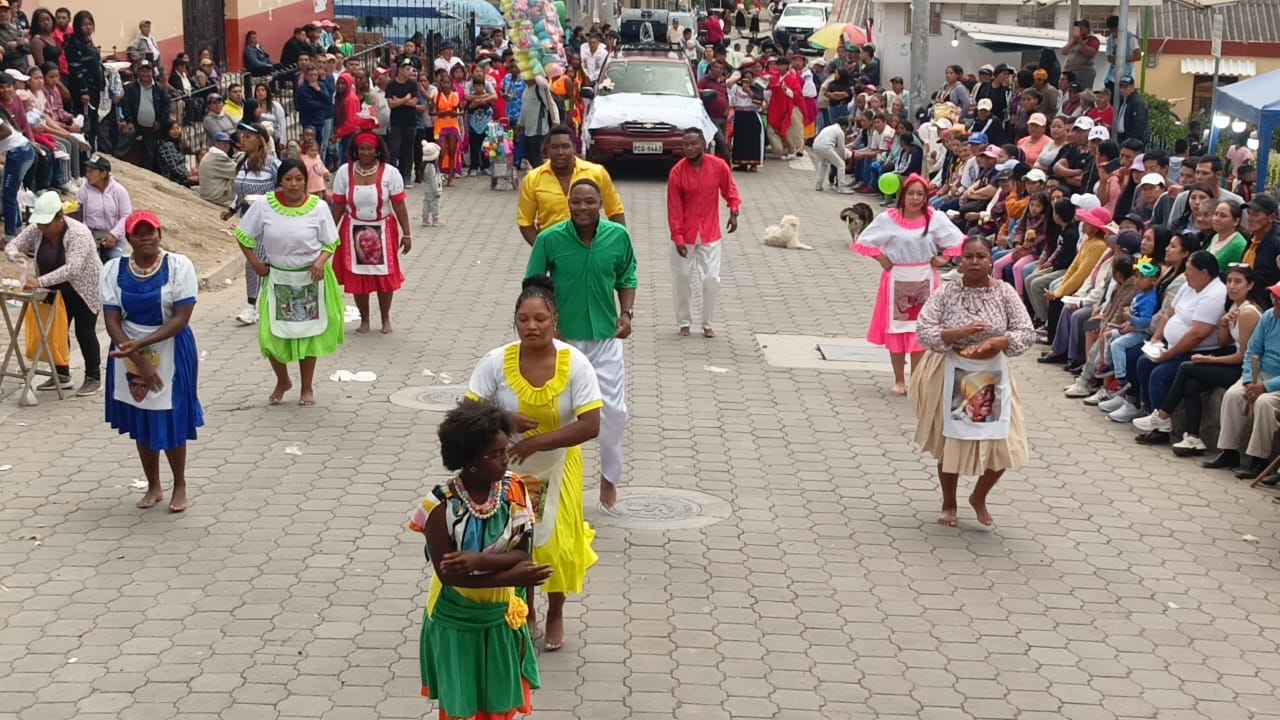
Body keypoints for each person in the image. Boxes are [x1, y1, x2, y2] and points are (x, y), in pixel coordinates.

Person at [465, 276, 602, 652]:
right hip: (508, 467)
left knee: (556, 543)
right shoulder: (496, 362)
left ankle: (556, 611)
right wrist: (504, 420)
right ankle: (524, 610)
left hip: (558, 464)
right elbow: (468, 410)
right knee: (517, 539)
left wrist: (538, 441)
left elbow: (591, 425)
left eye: (540, 319)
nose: (532, 326)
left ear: (555, 320)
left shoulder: (575, 364)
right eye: (523, 319)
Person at [408, 398, 549, 720]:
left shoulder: (516, 488)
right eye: (496, 454)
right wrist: (512, 577)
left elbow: (522, 553)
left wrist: (477, 562)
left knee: (499, 703)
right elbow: (450, 576)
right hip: (455, 618)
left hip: (500, 615)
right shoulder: (439, 506)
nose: (505, 459)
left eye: (505, 450)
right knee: (462, 706)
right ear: (470, 459)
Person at [526, 179, 637, 510]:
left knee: (613, 412)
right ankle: (546, 487)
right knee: (556, 413)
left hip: (605, 339)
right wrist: (549, 326)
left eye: (590, 202)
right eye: (577, 202)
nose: (583, 208)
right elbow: (533, 285)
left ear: (601, 204)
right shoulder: (550, 239)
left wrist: (626, 313)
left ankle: (609, 479)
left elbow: (627, 276)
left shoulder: (618, 237)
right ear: (568, 204)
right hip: (563, 341)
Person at [912, 236, 1035, 527]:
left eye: (981, 256)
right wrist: (959, 333)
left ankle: (979, 496)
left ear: (991, 260)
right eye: (969, 257)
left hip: (992, 373)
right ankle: (949, 503)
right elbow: (924, 330)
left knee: (1004, 443)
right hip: (953, 369)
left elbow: (1026, 332)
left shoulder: (1004, 292)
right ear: (960, 260)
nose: (975, 262)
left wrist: (998, 341)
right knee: (951, 440)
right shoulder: (946, 292)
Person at [99, 211, 203, 512]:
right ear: (129, 239)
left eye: (151, 232)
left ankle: (180, 483)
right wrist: (136, 358)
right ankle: (153, 485)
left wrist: (142, 347)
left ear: (160, 234)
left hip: (170, 347)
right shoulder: (113, 269)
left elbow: (181, 318)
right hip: (127, 348)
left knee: (171, 414)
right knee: (142, 414)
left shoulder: (179, 266)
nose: (146, 237)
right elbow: (112, 320)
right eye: (139, 233)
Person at [235, 159, 344, 407]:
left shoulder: (318, 207)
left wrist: (320, 262)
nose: (293, 184)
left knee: (308, 334)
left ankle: (307, 387)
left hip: (310, 279)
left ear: (306, 181)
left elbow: (331, 241)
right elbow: (242, 234)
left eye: (299, 179)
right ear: (280, 181)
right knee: (270, 335)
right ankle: (283, 380)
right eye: (288, 179)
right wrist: (255, 263)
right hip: (278, 279)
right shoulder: (265, 206)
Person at [851, 173, 966, 395]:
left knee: (920, 330)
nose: (915, 198)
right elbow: (865, 240)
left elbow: (957, 240)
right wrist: (881, 258)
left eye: (920, 194)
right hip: (897, 279)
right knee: (896, 329)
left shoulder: (935, 218)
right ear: (902, 195)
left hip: (925, 278)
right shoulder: (888, 218)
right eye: (911, 193)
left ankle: (916, 379)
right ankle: (899, 380)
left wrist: (943, 258)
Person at [1137, 264, 1268, 453]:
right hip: (1237, 362)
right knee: (1191, 384)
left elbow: (1243, 356)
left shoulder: (1248, 313)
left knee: (1186, 367)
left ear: (1250, 285)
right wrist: (1224, 324)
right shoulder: (1234, 307)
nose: (1232, 286)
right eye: (1229, 281)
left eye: (1238, 282)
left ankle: (1163, 415)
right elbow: (1224, 342)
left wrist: (1209, 360)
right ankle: (1193, 438)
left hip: (1248, 370)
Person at [4, 191, 103, 395]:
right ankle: (61, 373)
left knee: (84, 332)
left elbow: (72, 269)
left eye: (46, 224)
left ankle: (93, 377)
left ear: (59, 219)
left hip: (84, 288)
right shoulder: (37, 229)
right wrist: (14, 255)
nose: (42, 228)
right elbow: (13, 245)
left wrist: (39, 281)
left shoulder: (78, 233)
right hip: (56, 289)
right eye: (40, 224)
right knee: (56, 331)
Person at [330, 133, 412, 334]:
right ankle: (364, 319)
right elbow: (338, 205)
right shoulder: (344, 172)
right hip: (353, 231)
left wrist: (407, 234)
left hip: (382, 230)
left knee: (384, 276)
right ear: (355, 151)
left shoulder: (390, 173)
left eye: (369, 149)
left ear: (377, 151)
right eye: (361, 149)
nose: (365, 153)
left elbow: (399, 205)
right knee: (358, 276)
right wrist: (329, 233)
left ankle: (385, 318)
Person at [667, 127, 741, 339]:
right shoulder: (677, 173)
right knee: (682, 277)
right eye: (685, 144)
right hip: (685, 234)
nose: (689, 148)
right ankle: (684, 321)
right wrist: (678, 238)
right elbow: (674, 208)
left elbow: (730, 191)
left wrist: (734, 212)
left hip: (710, 233)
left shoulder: (718, 166)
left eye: (693, 143)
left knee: (711, 279)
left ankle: (707, 323)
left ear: (703, 144)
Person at [1205, 282, 1280, 479]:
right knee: (1233, 395)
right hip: (1259, 372)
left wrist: (1266, 386)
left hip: (1276, 382)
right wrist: (1248, 380)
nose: (1275, 302)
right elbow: (1251, 350)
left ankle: (1259, 458)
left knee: (1264, 403)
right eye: (1274, 297)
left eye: (1279, 299)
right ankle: (1229, 452)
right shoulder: (1269, 316)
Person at [517, 126, 624, 246]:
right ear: (547, 150)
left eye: (565, 146)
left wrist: (617, 245)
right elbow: (525, 223)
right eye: (555, 147)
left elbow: (615, 211)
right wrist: (543, 249)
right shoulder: (532, 179)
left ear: (574, 148)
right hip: (554, 249)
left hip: (591, 248)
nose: (560, 152)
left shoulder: (597, 173)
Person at [222, 123, 280, 326]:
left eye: (248, 137)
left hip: (267, 217)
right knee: (254, 259)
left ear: (260, 141)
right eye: (242, 136)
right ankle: (261, 303)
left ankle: (252, 305)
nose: (243, 140)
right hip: (247, 217)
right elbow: (240, 192)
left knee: (256, 259)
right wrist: (232, 209)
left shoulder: (272, 164)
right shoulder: (242, 163)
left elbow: (282, 188)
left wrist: (270, 201)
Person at [76, 153, 133, 262]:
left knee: (119, 262)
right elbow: (80, 219)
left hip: (114, 237)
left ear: (103, 173)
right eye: (87, 171)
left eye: (91, 172)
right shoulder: (82, 193)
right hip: (90, 235)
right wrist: (89, 238)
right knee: (91, 262)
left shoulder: (119, 190)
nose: (87, 175)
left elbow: (126, 215)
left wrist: (113, 235)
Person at [63, 10, 102, 152]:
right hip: (82, 89)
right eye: (84, 25)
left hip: (94, 86)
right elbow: (76, 69)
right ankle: (84, 153)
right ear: (78, 26)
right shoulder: (73, 43)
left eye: (90, 24)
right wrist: (83, 91)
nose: (88, 27)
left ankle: (93, 150)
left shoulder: (88, 41)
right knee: (84, 121)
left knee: (94, 120)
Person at [0, 95, 33, 236]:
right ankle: (18, 229)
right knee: (10, 194)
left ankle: (10, 235)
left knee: (8, 195)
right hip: (22, 151)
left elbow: (6, 131)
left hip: (18, 152)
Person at [811, 117, 851, 193]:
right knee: (841, 165)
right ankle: (841, 188)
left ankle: (818, 185)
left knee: (823, 163)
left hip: (816, 145)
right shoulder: (840, 131)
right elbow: (841, 148)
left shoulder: (829, 127)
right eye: (846, 128)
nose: (845, 130)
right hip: (826, 147)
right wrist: (843, 157)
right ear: (844, 126)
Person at [197, 132, 237, 207]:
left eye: (228, 143)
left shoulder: (212, 154)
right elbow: (237, 171)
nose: (227, 146)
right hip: (215, 196)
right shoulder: (218, 157)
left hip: (209, 193)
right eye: (224, 143)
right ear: (216, 143)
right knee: (245, 180)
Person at [420, 141, 443, 227]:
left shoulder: (424, 166)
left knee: (426, 204)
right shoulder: (432, 167)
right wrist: (437, 191)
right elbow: (434, 180)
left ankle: (425, 219)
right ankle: (435, 219)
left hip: (426, 189)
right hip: (433, 190)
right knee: (435, 204)